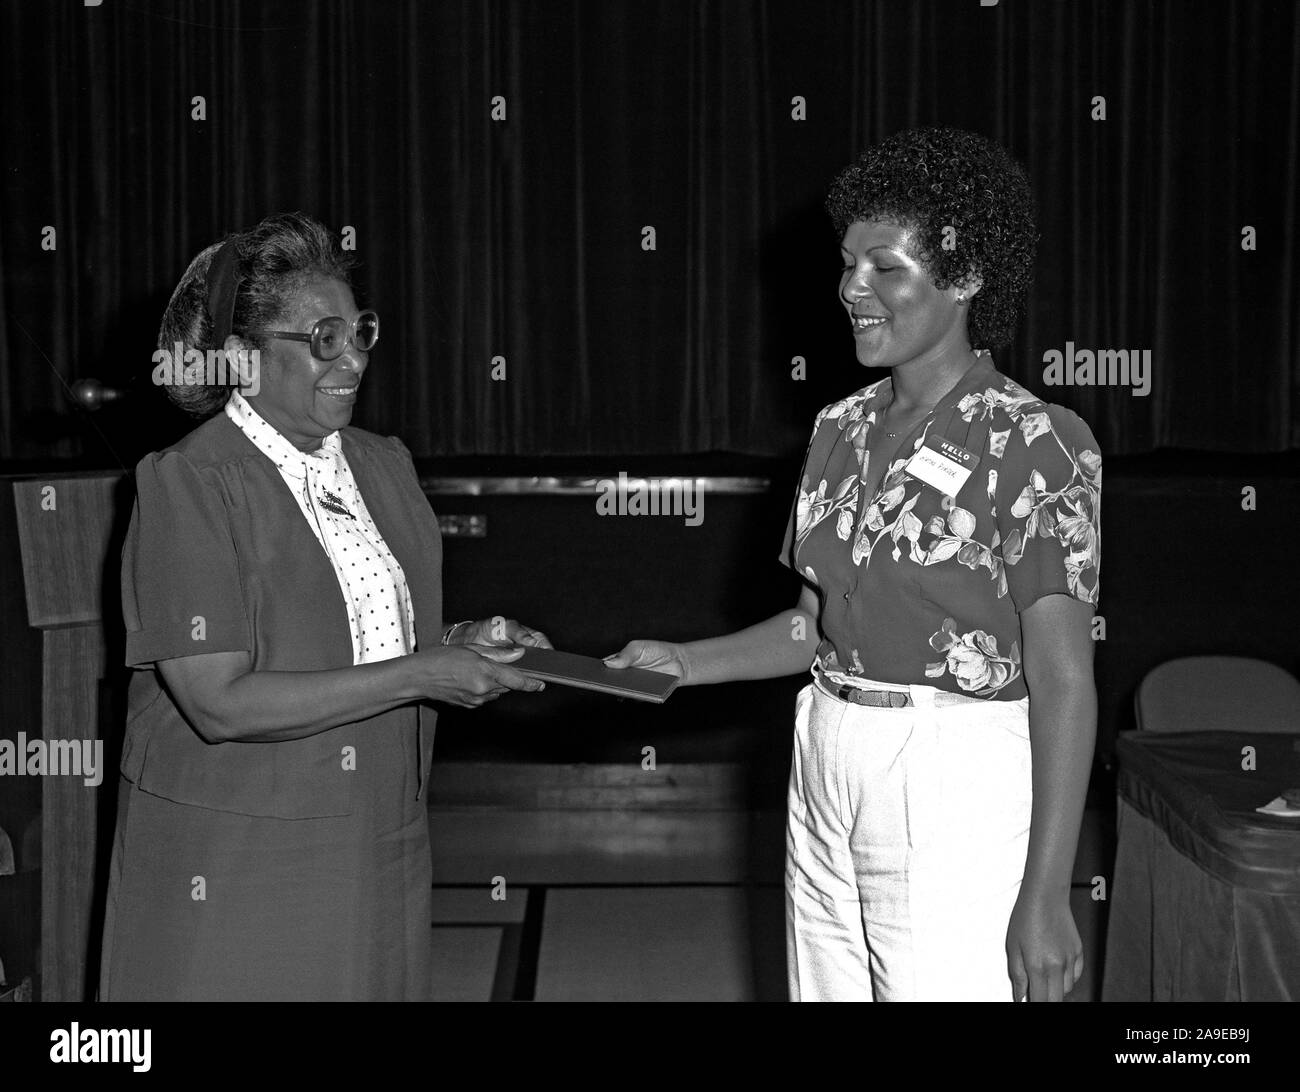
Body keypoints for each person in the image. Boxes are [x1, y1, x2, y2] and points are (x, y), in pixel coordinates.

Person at [606, 128, 1101, 1002]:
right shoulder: (840, 428)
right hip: (826, 744)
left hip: (951, 768)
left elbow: (1064, 680)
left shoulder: (1034, 441)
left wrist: (1047, 893)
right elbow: (812, 626)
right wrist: (683, 664)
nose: (851, 290)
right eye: (846, 265)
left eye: (885, 267)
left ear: (966, 276)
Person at [99, 212, 550, 1001]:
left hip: (378, 840)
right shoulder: (190, 482)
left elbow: (362, 639)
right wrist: (422, 673)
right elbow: (218, 702)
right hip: (240, 851)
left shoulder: (381, 464)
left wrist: (464, 642)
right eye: (323, 339)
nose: (354, 360)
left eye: (359, 331)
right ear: (243, 358)